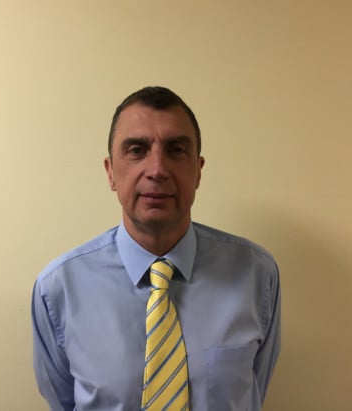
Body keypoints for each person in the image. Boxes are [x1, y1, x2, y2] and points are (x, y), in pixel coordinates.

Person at [32, 86, 281, 410]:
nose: (157, 170)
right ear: (110, 172)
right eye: (137, 150)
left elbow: (254, 389)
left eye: (176, 150)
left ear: (198, 171)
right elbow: (63, 402)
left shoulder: (256, 274)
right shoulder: (58, 289)